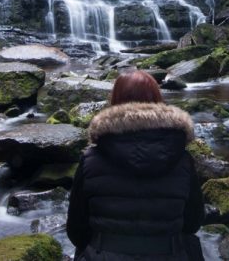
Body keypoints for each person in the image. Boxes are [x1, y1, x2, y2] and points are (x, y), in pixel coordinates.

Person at [66, 70, 205, 260]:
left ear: (115, 101)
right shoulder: (182, 159)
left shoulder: (91, 159)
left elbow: (76, 230)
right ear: (157, 101)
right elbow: (193, 223)